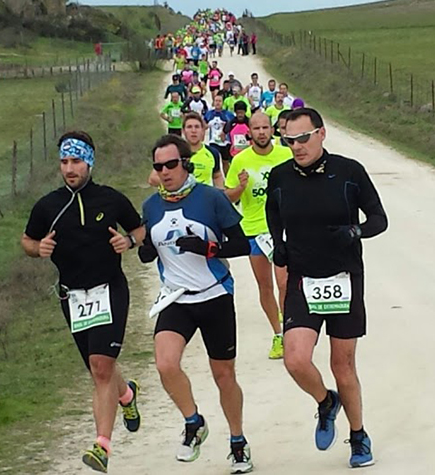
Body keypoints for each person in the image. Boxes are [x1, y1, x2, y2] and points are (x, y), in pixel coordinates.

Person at [266, 108, 387, 468]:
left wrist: (356, 232)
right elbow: (274, 213)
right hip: (304, 277)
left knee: (342, 365)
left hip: (344, 277)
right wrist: (278, 243)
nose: (297, 147)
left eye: (304, 138)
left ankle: (359, 435)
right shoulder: (280, 176)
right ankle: (325, 401)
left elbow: (379, 219)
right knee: (295, 359)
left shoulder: (349, 172)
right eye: (290, 141)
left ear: (321, 134)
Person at [21, 131, 145, 473]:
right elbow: (28, 240)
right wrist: (38, 249)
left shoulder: (110, 199)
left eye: (76, 161)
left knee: (101, 367)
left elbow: (139, 229)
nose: (70, 169)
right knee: (98, 367)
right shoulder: (48, 205)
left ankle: (101, 446)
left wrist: (128, 242)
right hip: (72, 296)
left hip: (110, 289)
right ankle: (127, 395)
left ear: (89, 162)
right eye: (64, 162)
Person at [139, 135, 253, 473]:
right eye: (158, 167)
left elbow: (241, 245)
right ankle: (194, 422)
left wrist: (208, 249)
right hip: (176, 298)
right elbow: (149, 247)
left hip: (214, 294)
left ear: (185, 164)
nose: (164, 172)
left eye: (171, 165)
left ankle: (238, 442)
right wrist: (144, 249)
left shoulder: (211, 198)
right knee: (165, 364)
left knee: (223, 374)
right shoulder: (151, 206)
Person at [225, 112, 292, 359]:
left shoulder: (286, 155)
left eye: (265, 127)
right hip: (254, 230)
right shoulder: (240, 160)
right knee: (265, 285)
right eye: (257, 128)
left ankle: (289, 327)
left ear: (272, 130)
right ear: (249, 132)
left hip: (283, 230)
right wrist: (240, 187)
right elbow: (228, 197)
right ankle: (278, 334)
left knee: (284, 283)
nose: (261, 132)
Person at [148, 113, 224, 189]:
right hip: (180, 198)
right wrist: (178, 184)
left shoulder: (213, 153)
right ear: (183, 131)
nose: (193, 131)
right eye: (189, 127)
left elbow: (217, 176)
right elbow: (153, 179)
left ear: (202, 131)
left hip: (205, 198)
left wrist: (220, 194)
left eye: (197, 127)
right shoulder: (174, 152)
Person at [204, 94, 236, 175]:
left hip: (225, 142)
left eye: (219, 101)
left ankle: (227, 178)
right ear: (213, 102)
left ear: (222, 103)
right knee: (213, 161)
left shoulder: (228, 114)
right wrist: (206, 125)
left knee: (225, 162)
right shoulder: (209, 114)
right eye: (216, 101)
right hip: (213, 142)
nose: (218, 103)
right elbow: (203, 125)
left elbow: (234, 125)